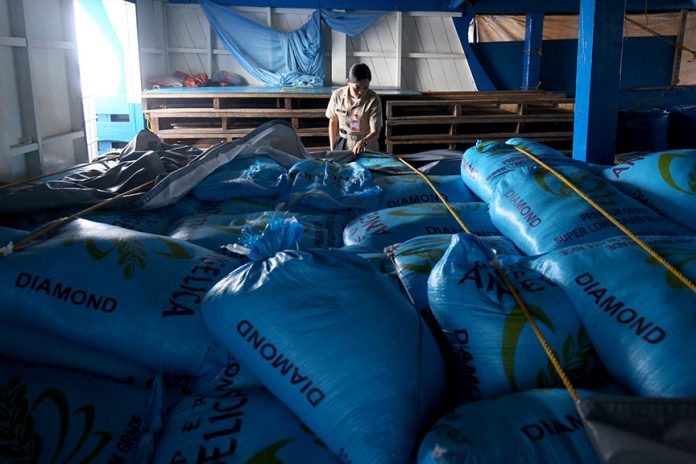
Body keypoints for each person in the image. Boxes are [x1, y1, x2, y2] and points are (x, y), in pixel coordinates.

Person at [325, 63, 383, 157]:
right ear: (347, 82)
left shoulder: (374, 99)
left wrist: (364, 142)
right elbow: (333, 123)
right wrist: (333, 148)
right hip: (343, 146)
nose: (361, 92)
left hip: (367, 148)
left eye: (365, 88)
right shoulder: (337, 96)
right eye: (356, 88)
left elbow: (375, 132)